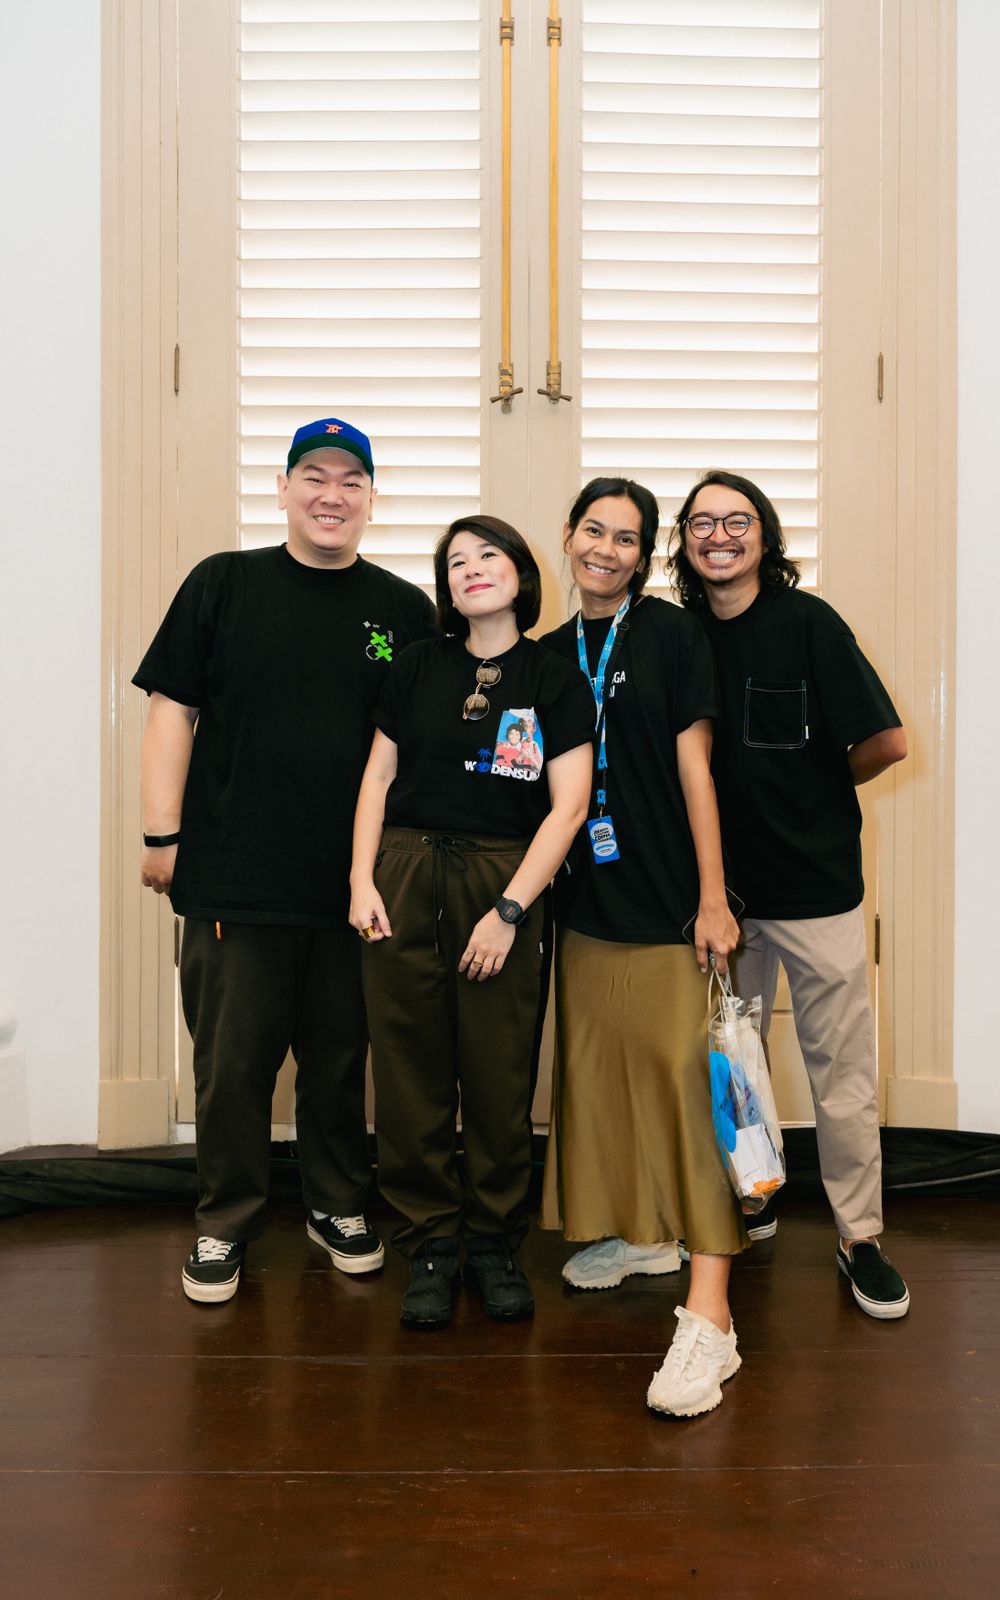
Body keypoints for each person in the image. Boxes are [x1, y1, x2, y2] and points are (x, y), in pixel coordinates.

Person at [135, 418, 436, 1304]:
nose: (331, 495)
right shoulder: (223, 583)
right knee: (233, 1064)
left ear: (372, 499)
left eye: (351, 481)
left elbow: (419, 747)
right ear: (283, 488)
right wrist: (161, 836)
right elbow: (171, 711)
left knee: (340, 1060)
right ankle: (225, 1218)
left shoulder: (404, 611)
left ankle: (336, 1203)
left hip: (355, 884)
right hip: (236, 876)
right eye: (315, 476)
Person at [669, 469, 910, 1319]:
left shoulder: (808, 623)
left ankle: (860, 1236)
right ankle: (753, 1196)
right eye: (701, 523)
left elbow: (886, 741)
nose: (719, 535)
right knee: (732, 1066)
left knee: (841, 1071)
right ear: (683, 543)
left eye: (737, 520)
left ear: (765, 536)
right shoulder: (678, 635)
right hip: (719, 898)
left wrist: (819, 789)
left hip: (818, 891)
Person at [350, 515, 594, 1330]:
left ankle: (492, 1241)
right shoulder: (417, 665)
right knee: (408, 1071)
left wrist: (510, 911)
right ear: (446, 587)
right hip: (403, 872)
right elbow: (377, 778)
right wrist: (361, 879)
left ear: (522, 573)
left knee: (498, 1074)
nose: (471, 569)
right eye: (455, 561)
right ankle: (428, 1242)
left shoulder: (554, 678)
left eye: (488, 554)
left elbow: (568, 808)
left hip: (503, 877)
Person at [538, 477, 748, 1419]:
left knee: (686, 1094)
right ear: (569, 536)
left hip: (670, 904)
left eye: (627, 538)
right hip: (586, 909)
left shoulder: (670, 635)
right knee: (602, 1080)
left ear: (645, 554)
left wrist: (711, 897)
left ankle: (712, 1320)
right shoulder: (551, 654)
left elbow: (697, 770)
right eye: (595, 530)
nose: (607, 550)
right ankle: (647, 1234)